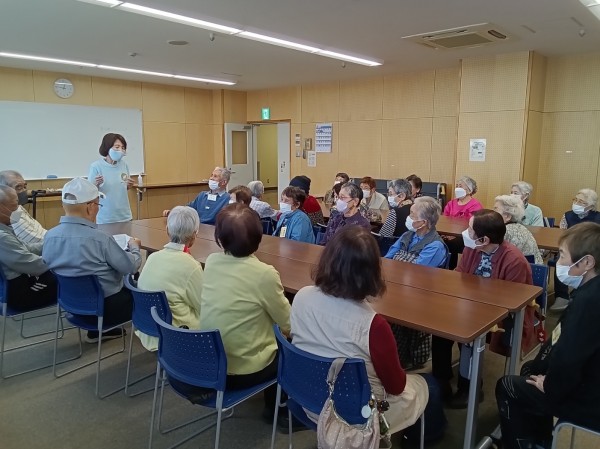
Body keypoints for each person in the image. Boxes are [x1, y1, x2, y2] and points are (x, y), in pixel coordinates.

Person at [291, 226, 429, 434]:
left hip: (308, 398)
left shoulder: (301, 296)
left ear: (327, 259)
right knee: (428, 385)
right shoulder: (374, 326)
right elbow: (396, 386)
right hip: (356, 416)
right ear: (372, 271)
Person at [496, 222, 600, 449]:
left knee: (507, 385)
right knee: (530, 369)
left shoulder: (588, 302)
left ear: (587, 262)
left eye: (562, 255)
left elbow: (569, 358)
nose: (558, 262)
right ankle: (539, 440)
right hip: (589, 378)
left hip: (591, 401)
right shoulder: (590, 292)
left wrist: (551, 386)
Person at [431, 209, 533, 408]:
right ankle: (441, 380)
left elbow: (511, 302)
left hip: (497, 314)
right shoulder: (473, 248)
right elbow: (459, 275)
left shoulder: (514, 261)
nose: (466, 233)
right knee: (440, 328)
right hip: (468, 305)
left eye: (470, 230)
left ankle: (470, 387)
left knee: (467, 335)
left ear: (484, 239)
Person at [199, 203, 291, 411]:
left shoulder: (212, 261)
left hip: (211, 364)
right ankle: (277, 410)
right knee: (289, 349)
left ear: (219, 238)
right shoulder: (264, 274)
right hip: (244, 372)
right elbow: (288, 324)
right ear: (259, 238)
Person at [43, 177, 142, 342]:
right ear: (90, 207)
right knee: (145, 289)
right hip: (108, 309)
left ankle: (96, 332)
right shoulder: (100, 239)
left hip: (70, 307)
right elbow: (131, 267)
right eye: (98, 205)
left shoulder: (49, 236)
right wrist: (135, 248)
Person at [384, 196, 447, 369]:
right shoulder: (408, 235)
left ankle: (404, 359)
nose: (408, 217)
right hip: (397, 286)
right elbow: (387, 259)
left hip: (419, 295)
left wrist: (400, 260)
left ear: (424, 222)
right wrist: (402, 262)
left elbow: (416, 272)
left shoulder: (435, 246)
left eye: (412, 214)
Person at [136, 206, 203, 351]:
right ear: (194, 236)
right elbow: (203, 306)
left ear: (167, 230)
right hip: (176, 336)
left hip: (147, 328)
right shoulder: (192, 266)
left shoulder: (152, 257)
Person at [0, 185, 56, 311]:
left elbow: (26, 248)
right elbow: (34, 265)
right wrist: (63, 259)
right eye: (14, 205)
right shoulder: (2, 237)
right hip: (20, 295)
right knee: (69, 277)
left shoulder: (4, 229)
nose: (18, 209)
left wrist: (53, 243)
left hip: (14, 288)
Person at [552, 188, 600, 312]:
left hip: (591, 252)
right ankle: (561, 296)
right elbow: (561, 234)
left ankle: (584, 293)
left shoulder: (598, 218)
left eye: (582, 202)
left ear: (591, 206)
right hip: (571, 249)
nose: (577, 203)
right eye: (576, 200)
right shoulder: (567, 215)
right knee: (560, 259)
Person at [88, 132, 133, 224]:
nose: (120, 150)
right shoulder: (96, 166)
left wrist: (129, 185)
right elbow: (90, 192)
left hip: (125, 215)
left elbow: (123, 187)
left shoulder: (124, 165)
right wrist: (96, 184)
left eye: (123, 148)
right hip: (106, 217)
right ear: (107, 147)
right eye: (117, 147)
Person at [163, 167, 231, 225]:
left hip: (214, 230)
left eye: (215, 176)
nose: (211, 178)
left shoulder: (227, 198)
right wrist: (173, 212)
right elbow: (188, 209)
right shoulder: (202, 195)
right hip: (198, 228)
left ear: (224, 182)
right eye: (211, 175)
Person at [443, 175, 483, 269]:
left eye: (460, 186)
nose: (457, 188)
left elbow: (472, 225)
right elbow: (444, 220)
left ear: (469, 190)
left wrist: (454, 235)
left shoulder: (475, 205)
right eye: (456, 186)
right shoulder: (451, 203)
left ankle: (452, 268)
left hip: (464, 236)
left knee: (453, 244)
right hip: (448, 233)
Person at [0, 170, 46, 245]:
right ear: (4, 191)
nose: (24, 191)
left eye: (24, 186)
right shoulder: (11, 216)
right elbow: (34, 240)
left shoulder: (18, 206)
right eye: (18, 188)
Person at [494, 195, 543, 264]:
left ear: (507, 216)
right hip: (531, 267)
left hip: (524, 268)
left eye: (495, 210)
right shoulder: (520, 227)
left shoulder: (506, 230)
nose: (492, 213)